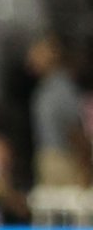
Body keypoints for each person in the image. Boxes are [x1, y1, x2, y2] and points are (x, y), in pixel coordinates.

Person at [26, 36, 89, 189]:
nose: (31, 57)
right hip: (48, 158)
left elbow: (74, 130)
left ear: (52, 55)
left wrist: (85, 165)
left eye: (38, 52)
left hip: (63, 160)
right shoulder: (44, 88)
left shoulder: (62, 88)